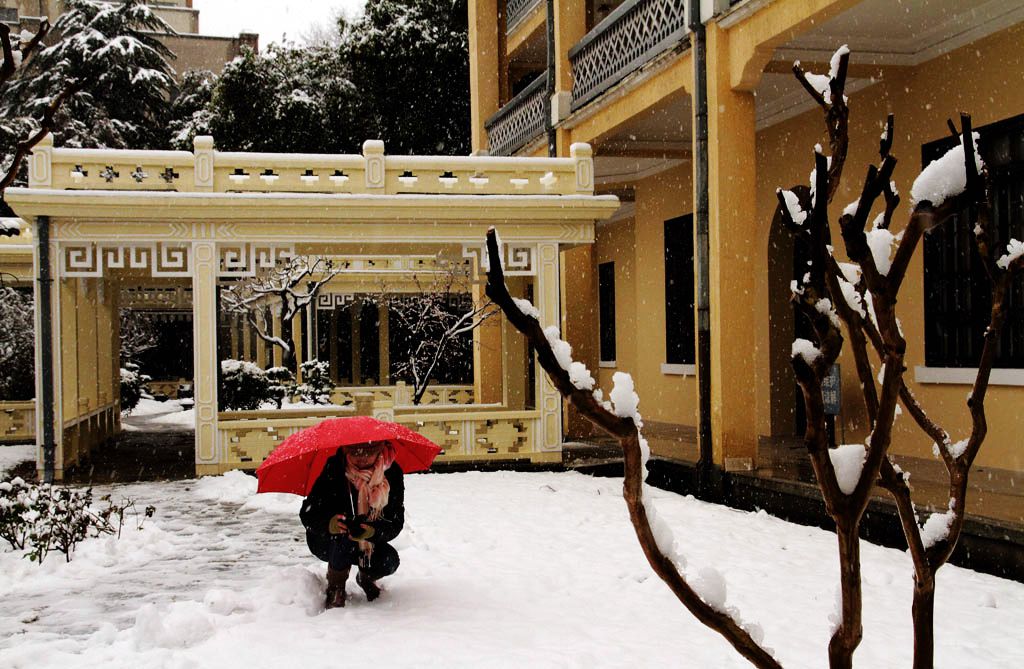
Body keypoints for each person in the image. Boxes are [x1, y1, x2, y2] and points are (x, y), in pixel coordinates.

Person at [300, 441, 405, 609]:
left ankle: (366, 578)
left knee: (389, 561)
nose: (361, 458)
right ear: (346, 451)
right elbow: (308, 512)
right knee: (343, 538)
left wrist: (372, 531)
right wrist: (329, 524)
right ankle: (336, 587)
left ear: (379, 450)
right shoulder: (334, 468)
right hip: (329, 541)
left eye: (368, 452)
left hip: (367, 542)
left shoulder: (391, 472)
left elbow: (395, 521)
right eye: (354, 453)